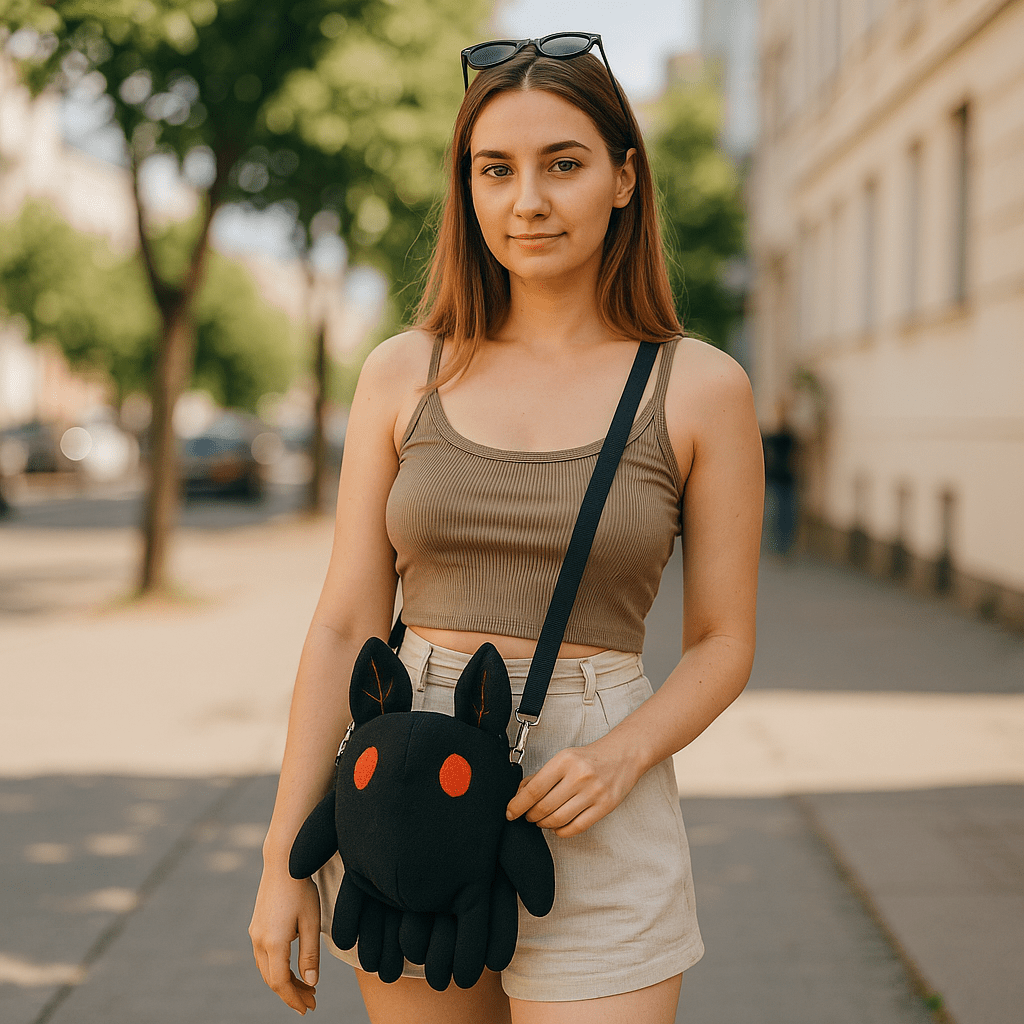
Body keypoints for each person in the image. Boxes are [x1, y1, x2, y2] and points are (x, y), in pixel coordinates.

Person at [249, 33, 763, 1024]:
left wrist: (624, 753)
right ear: (467, 188)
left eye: (561, 164)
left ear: (623, 178)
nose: (526, 199)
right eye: (496, 169)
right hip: (406, 775)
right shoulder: (406, 372)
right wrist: (282, 863)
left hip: (592, 784)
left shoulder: (697, 387)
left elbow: (723, 642)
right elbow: (343, 621)